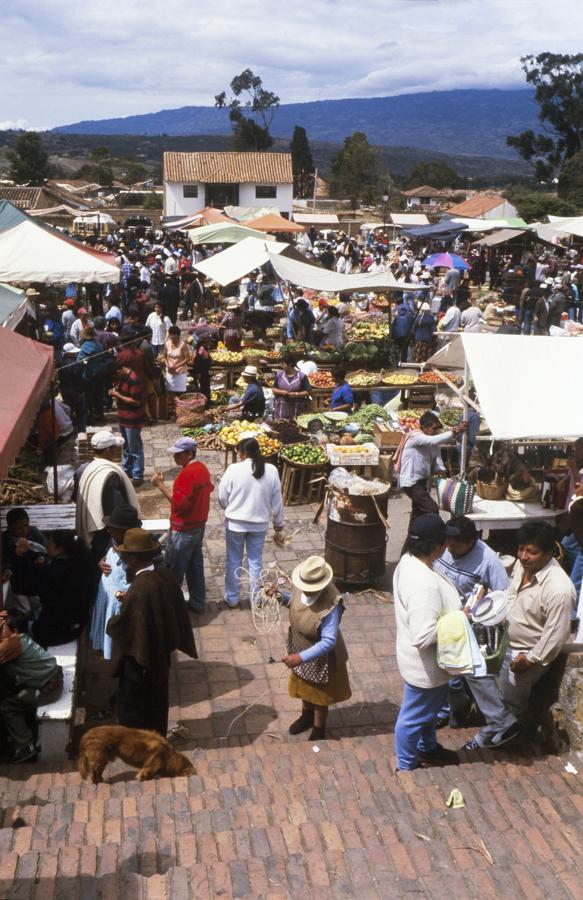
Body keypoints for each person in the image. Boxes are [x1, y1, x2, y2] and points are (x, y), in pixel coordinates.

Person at [464, 521, 576, 751]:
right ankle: (503, 725)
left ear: (548, 553)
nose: (524, 556)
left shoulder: (559, 589)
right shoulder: (521, 566)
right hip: (503, 638)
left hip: (527, 652)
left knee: (510, 696)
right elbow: (510, 595)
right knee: (470, 667)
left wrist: (531, 660)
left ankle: (499, 734)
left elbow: (556, 634)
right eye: (521, 549)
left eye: (531, 552)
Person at [106, 529, 197, 736]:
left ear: (131, 558)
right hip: (161, 658)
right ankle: (158, 748)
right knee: (157, 710)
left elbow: (123, 627)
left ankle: (144, 755)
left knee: (135, 716)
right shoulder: (164, 575)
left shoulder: (140, 589)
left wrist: (111, 621)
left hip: (139, 666)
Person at [393, 514, 462, 771]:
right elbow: (423, 636)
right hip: (425, 666)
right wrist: (459, 619)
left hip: (423, 663)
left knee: (428, 712)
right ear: (436, 545)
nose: (446, 547)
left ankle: (427, 748)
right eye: (444, 542)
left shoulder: (409, 562)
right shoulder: (423, 586)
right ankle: (406, 763)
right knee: (412, 718)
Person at [281, 556, 351, 741]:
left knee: (320, 695)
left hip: (320, 657)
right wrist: (280, 597)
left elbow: (328, 642)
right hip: (301, 646)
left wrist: (300, 658)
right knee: (304, 686)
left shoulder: (331, 604)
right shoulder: (301, 585)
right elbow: (294, 602)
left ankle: (319, 729)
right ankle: (306, 716)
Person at [218, 437, 285, 609]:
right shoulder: (271, 470)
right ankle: (256, 599)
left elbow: (222, 497)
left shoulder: (233, 469)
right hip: (259, 525)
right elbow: (277, 500)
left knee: (234, 560)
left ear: (242, 452)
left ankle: (232, 598)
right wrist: (279, 524)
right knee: (255, 561)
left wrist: (230, 507)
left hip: (235, 524)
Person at [151, 437, 213, 613]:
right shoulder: (202, 469)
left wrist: (160, 485)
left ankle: (170, 611)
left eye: (178, 454)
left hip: (184, 530)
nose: (174, 458)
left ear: (189, 453)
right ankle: (198, 602)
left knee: (173, 571)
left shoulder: (187, 475)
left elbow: (180, 504)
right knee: (195, 565)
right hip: (198, 526)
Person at [0, 610, 62, 763]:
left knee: (8, 706)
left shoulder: (13, 642)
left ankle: (25, 746)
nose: (0, 630)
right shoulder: (19, 639)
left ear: (14, 631)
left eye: (2, 628)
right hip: (50, 680)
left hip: (46, 690)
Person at [75, 431, 138, 562]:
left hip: (90, 525)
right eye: (115, 447)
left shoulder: (82, 469)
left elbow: (75, 496)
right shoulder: (109, 474)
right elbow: (117, 509)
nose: (117, 450)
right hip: (107, 533)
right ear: (109, 450)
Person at [90, 505, 142, 660]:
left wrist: (132, 591)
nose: (108, 530)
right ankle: (107, 650)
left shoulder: (141, 547)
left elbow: (153, 572)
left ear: (125, 530)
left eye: (112, 528)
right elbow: (107, 555)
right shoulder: (113, 539)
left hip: (124, 600)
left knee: (123, 637)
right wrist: (101, 563)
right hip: (107, 594)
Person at [398, 412, 467, 522]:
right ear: (424, 428)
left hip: (422, 482)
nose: (435, 432)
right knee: (432, 509)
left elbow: (438, 461)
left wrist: (446, 481)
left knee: (418, 513)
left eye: (437, 429)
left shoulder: (432, 442)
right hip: (412, 482)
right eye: (433, 429)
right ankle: (438, 535)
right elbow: (432, 441)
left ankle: (413, 538)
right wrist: (455, 431)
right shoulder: (415, 436)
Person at [31, 530, 94, 648]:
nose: (46, 547)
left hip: (54, 630)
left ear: (59, 549)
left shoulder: (52, 571)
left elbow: (28, 588)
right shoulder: (84, 565)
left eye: (49, 544)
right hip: (77, 627)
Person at [110, 359, 146, 487]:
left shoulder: (133, 379)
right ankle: (127, 470)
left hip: (133, 419)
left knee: (135, 448)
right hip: (123, 417)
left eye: (115, 375)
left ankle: (137, 474)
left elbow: (136, 401)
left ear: (120, 370)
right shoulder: (121, 378)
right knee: (125, 447)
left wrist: (117, 396)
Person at [272, 354, 311, 419]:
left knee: (294, 425)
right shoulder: (279, 375)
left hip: (296, 408)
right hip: (281, 408)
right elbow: (273, 388)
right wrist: (281, 392)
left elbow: (308, 391)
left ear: (290, 364)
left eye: (283, 364)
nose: (281, 366)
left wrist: (296, 394)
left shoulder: (301, 376)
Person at [162, 325, 191, 410]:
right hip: (170, 371)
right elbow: (164, 356)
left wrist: (176, 366)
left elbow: (187, 358)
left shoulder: (183, 345)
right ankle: (174, 409)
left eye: (173, 335)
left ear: (178, 335)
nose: (171, 336)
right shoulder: (167, 344)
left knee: (180, 392)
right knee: (170, 390)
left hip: (180, 371)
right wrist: (167, 365)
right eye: (170, 334)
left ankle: (181, 408)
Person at [192, 336, 212, 406]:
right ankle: (205, 402)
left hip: (205, 371)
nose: (210, 343)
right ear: (205, 343)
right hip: (202, 372)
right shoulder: (201, 349)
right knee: (204, 387)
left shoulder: (205, 349)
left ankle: (207, 401)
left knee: (206, 386)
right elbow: (198, 361)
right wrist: (198, 372)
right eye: (209, 342)